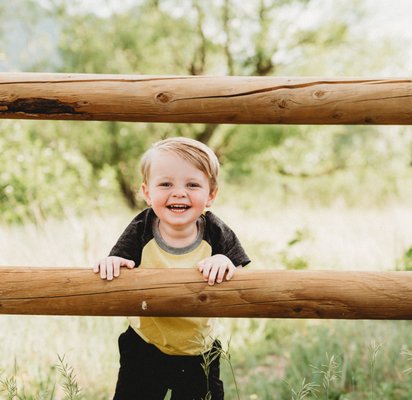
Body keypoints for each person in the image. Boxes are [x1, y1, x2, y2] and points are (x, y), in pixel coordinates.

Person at [94, 137, 250, 400]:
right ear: (147, 192)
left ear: (211, 195)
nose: (179, 193)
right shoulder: (142, 227)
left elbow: (240, 271)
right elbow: (120, 261)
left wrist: (225, 262)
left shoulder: (215, 231)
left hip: (199, 351)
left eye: (192, 185)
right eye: (166, 184)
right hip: (145, 344)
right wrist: (112, 261)